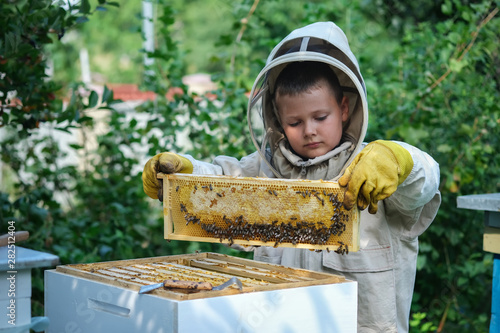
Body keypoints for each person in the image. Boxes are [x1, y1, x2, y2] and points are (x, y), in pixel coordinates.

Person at [142, 21, 441, 332]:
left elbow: (425, 182)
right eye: (295, 121)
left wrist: (401, 160)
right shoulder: (263, 172)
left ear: (344, 108)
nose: (309, 130)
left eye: (320, 117)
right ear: (277, 120)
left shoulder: (376, 170)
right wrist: (184, 175)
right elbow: (220, 180)